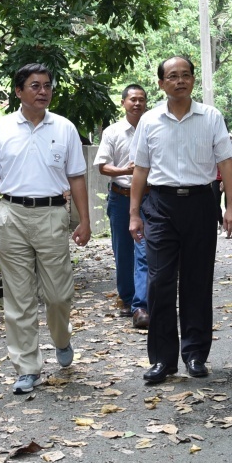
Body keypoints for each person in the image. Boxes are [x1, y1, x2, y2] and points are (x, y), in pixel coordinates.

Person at [129, 55, 232, 385]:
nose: (180, 80)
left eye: (186, 75)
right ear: (161, 83)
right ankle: (163, 360)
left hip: (201, 203)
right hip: (160, 206)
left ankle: (195, 354)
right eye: (172, 76)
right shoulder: (149, 121)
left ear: (193, 80)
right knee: (159, 282)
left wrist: (231, 208)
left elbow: (226, 166)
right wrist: (134, 213)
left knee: (196, 281)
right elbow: (140, 170)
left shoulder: (211, 117)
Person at [0, 64, 91, 394]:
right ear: (19, 92)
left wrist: (84, 220)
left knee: (58, 294)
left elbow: (77, 178)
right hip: (10, 215)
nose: (43, 91)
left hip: (52, 214)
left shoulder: (65, 128)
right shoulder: (1, 129)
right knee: (19, 298)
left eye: (46, 85)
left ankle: (61, 337)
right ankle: (27, 367)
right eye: (34, 86)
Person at [94, 84, 150, 329]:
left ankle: (141, 304)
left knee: (145, 249)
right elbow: (102, 166)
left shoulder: (153, 128)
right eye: (132, 99)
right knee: (123, 250)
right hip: (120, 197)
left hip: (150, 198)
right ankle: (127, 298)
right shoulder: (113, 132)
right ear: (124, 102)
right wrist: (125, 170)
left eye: (141, 99)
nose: (137, 103)